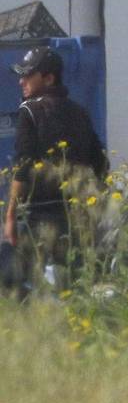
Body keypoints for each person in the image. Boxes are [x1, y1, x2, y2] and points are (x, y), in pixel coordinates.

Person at [3, 46, 107, 291]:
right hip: (78, 217)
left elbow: (23, 166)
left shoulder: (29, 111)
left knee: (15, 281)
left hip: (40, 218)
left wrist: (10, 216)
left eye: (28, 75)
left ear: (48, 78)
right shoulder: (80, 112)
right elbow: (100, 164)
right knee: (77, 287)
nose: (21, 81)